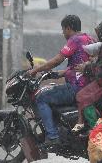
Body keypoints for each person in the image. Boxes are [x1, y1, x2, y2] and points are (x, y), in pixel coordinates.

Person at [27, 15, 95, 146]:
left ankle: (52, 136)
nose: (63, 32)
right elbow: (79, 66)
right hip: (88, 87)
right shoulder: (89, 39)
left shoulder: (75, 40)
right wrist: (57, 74)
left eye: (63, 29)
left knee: (41, 98)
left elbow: (58, 59)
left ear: (69, 28)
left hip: (76, 87)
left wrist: (36, 70)